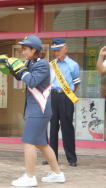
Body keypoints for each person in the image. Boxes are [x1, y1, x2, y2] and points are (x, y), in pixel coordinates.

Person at [6, 35, 65, 187]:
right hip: (37, 109)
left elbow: (31, 81)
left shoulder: (42, 65)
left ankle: (30, 177)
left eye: (25, 49)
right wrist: (11, 67)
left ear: (34, 50)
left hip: (40, 109)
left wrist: (20, 68)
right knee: (42, 144)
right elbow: (21, 77)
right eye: (22, 48)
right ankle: (57, 174)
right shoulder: (30, 62)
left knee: (28, 142)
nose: (23, 51)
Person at [42, 38, 81, 167]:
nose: (56, 53)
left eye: (58, 50)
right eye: (54, 51)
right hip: (53, 97)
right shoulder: (51, 64)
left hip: (66, 97)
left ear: (66, 49)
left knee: (67, 127)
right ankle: (51, 158)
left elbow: (76, 84)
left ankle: (72, 158)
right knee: (52, 128)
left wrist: (67, 94)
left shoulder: (73, 65)